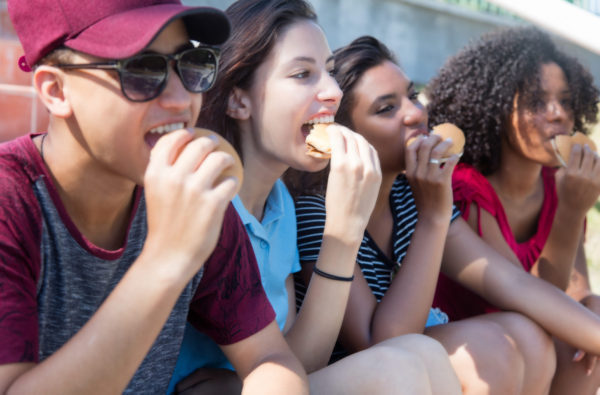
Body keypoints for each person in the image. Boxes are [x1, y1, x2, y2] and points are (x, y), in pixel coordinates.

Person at [0, 1, 310, 393]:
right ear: (57, 90)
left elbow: (269, 357)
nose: (182, 100)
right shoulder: (11, 203)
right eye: (143, 70)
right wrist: (166, 259)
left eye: (191, 64)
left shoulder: (191, 190)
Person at [169, 1, 462, 394]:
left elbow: (300, 359)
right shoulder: (207, 198)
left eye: (327, 71)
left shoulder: (280, 206)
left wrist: (240, 383)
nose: (332, 91)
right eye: (303, 74)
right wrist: (342, 230)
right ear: (239, 100)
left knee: (420, 351)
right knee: (395, 368)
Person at [286, 35, 600, 394]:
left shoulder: (410, 194)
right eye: (386, 108)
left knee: (530, 333)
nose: (417, 113)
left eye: (412, 96)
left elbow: (514, 283)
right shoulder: (316, 210)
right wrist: (434, 219)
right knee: (494, 347)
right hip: (363, 375)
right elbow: (381, 340)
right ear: (345, 134)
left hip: (416, 361)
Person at [427, 26, 600, 394]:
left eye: (566, 101)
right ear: (495, 108)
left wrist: (571, 207)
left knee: (593, 308)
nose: (558, 115)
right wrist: (569, 214)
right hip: (475, 353)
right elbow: (528, 302)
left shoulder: (562, 184)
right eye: (537, 102)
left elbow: (575, 293)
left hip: (533, 352)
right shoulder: (465, 189)